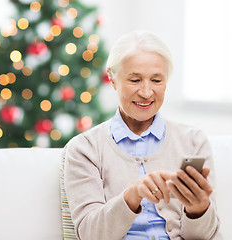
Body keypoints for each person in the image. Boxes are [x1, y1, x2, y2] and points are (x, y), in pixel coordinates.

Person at [62, 31, 221, 240]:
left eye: (156, 80)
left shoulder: (192, 141)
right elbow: (91, 235)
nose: (146, 93)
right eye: (135, 80)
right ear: (112, 78)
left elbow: (206, 236)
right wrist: (132, 195)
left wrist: (198, 210)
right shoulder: (85, 149)